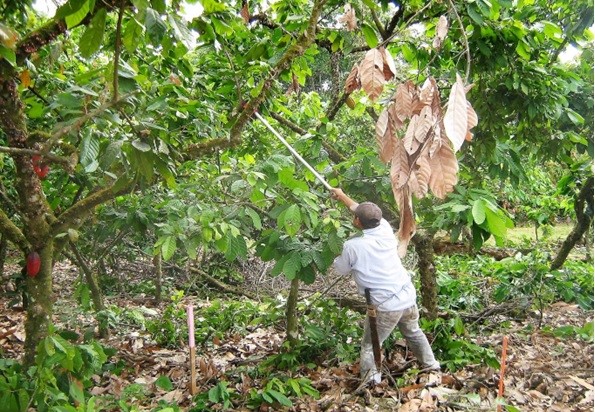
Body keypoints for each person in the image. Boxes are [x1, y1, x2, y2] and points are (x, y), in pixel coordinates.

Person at [331, 188, 440, 385]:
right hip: (406, 296)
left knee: (370, 345)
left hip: (385, 306)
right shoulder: (384, 230)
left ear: (357, 222)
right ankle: (432, 366)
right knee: (413, 332)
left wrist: (333, 254)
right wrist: (341, 195)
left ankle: (372, 382)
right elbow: (359, 209)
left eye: (356, 217)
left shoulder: (353, 246)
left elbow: (340, 269)